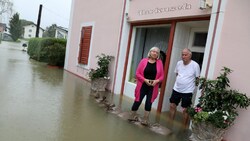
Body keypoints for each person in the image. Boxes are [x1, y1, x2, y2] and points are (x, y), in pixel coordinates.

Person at [128, 47, 164, 126]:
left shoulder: (160, 63)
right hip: (142, 85)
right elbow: (137, 74)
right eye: (153, 51)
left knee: (149, 103)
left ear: (158, 55)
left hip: (153, 87)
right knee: (138, 101)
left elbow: (162, 76)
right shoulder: (143, 61)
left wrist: (156, 81)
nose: (155, 53)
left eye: (156, 52)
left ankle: (145, 119)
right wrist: (145, 80)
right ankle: (132, 115)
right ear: (150, 52)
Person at [169, 48, 200, 128]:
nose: (183, 56)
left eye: (185, 55)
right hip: (176, 89)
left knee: (185, 110)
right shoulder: (179, 63)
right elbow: (177, 74)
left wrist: (191, 86)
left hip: (187, 91)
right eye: (182, 54)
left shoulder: (195, 65)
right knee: (172, 105)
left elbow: (198, 79)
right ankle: (170, 124)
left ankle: (183, 128)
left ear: (190, 55)